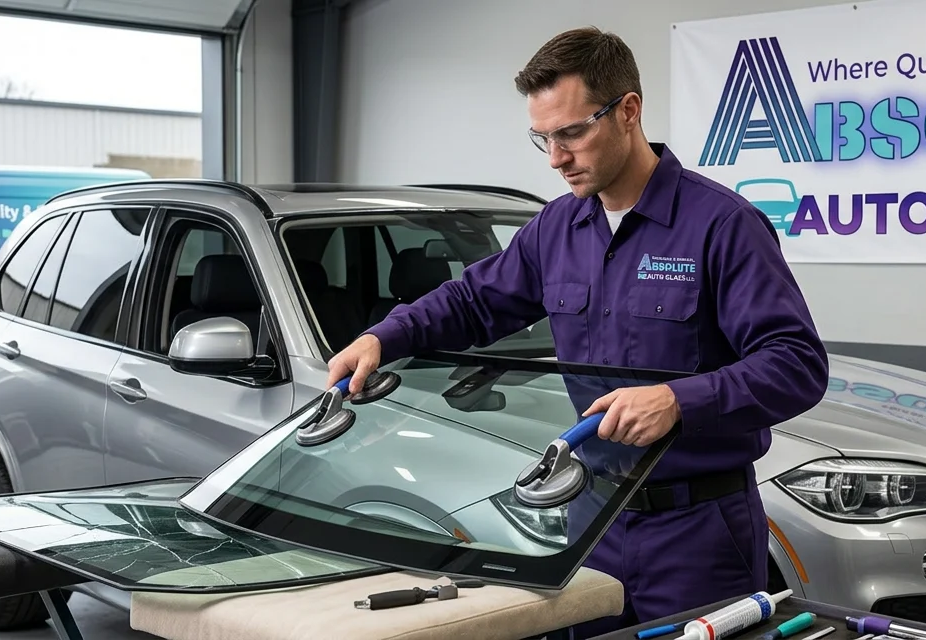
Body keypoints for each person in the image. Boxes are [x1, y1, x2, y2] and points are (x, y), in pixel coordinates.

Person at [325, 26, 830, 636]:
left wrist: (678, 400)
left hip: (698, 531)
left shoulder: (722, 225)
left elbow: (796, 363)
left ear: (628, 111)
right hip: (589, 519)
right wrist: (385, 336)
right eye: (543, 138)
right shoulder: (557, 228)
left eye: (571, 133)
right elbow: (474, 301)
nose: (556, 158)